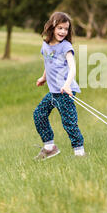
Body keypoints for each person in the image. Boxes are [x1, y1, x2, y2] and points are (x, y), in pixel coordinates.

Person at [33, 12, 85, 159]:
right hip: (54, 92)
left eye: (66, 29)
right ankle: (50, 147)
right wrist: (43, 77)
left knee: (69, 122)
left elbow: (72, 68)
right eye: (60, 28)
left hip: (65, 91)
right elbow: (48, 63)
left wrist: (67, 85)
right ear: (52, 27)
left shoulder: (66, 47)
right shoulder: (46, 45)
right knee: (39, 114)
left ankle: (79, 152)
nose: (63, 32)